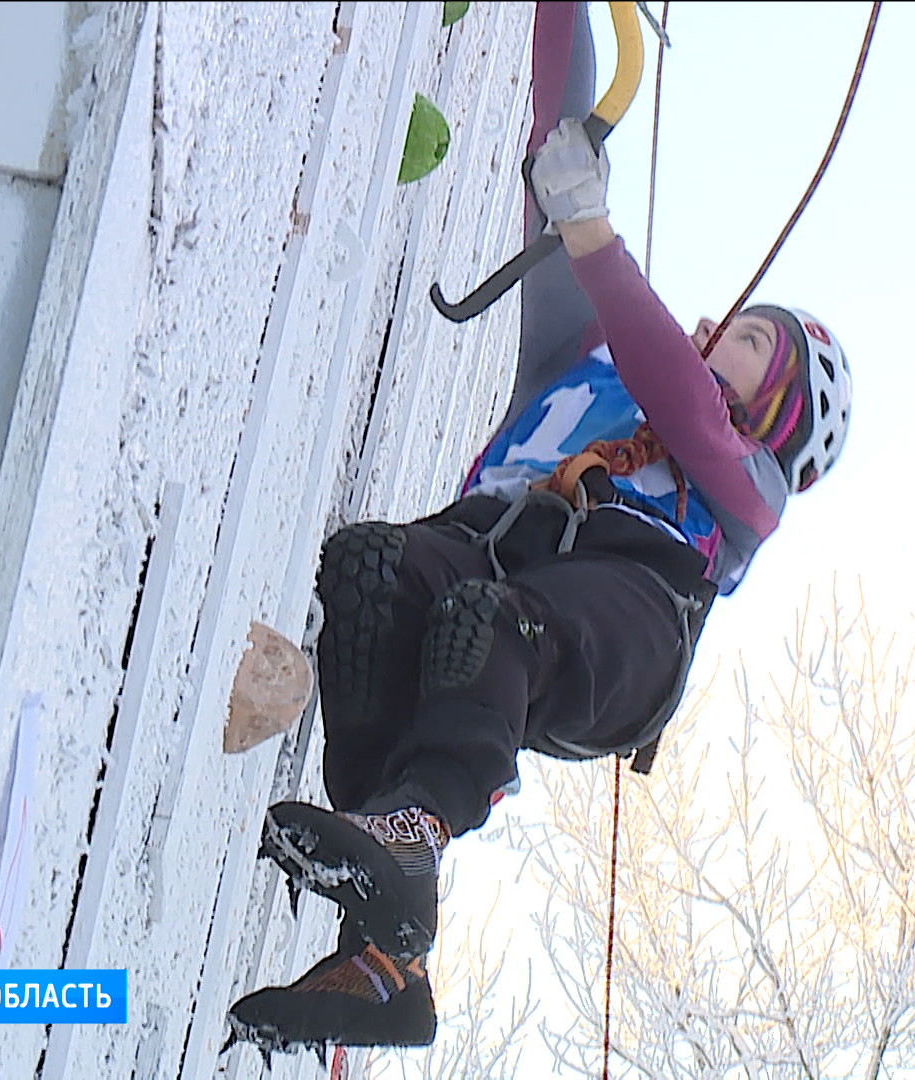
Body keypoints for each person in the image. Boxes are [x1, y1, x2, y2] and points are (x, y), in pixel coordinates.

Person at [225, 1, 852, 1056]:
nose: (714, 329)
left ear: (777, 411)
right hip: (495, 551)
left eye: (746, 340)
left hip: (625, 615)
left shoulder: (745, 491)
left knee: (497, 623)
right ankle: (388, 936)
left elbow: (686, 402)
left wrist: (597, 235)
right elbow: (555, 131)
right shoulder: (588, 372)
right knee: (374, 572)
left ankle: (411, 841)